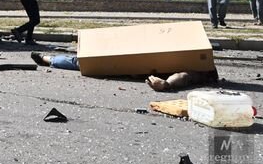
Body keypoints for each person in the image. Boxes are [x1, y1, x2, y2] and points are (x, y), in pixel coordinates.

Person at [30, 52, 219, 91]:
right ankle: (48, 59)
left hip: (128, 68)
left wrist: (166, 84)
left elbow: (183, 76)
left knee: (82, 62)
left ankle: (49, 59)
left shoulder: (198, 70)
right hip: (133, 58)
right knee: (81, 60)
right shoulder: (194, 57)